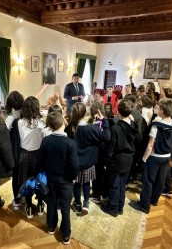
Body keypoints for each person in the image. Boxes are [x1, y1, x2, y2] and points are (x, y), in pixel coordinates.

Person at [129, 98, 172, 214]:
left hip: (154, 157)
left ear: (161, 110)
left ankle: (144, 205)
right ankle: (154, 200)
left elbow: (150, 145)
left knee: (148, 181)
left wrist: (144, 158)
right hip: (167, 157)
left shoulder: (156, 125)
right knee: (160, 180)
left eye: (158, 108)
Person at [38, 112, 79, 245]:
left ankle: (51, 226)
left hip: (50, 178)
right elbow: (74, 165)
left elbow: (40, 161)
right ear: (63, 123)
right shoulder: (70, 143)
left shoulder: (46, 141)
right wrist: (73, 177)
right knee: (65, 208)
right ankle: (65, 235)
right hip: (66, 181)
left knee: (51, 203)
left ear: (49, 126)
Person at [65, 103, 110, 215]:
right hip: (88, 163)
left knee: (76, 184)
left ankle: (78, 203)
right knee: (86, 183)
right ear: (85, 114)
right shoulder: (91, 128)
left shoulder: (70, 128)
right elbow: (107, 137)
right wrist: (104, 120)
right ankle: (86, 203)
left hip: (74, 162)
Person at [101, 100, 140, 217]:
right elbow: (138, 140)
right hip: (129, 159)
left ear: (118, 111)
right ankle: (120, 206)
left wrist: (106, 161)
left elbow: (111, 148)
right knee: (122, 184)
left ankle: (113, 208)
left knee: (114, 184)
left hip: (117, 159)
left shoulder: (116, 128)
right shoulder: (134, 125)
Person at [17, 96, 45, 218]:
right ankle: (39, 205)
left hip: (24, 155)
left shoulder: (19, 122)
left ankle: (28, 206)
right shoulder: (41, 123)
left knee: (27, 182)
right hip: (39, 155)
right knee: (40, 181)